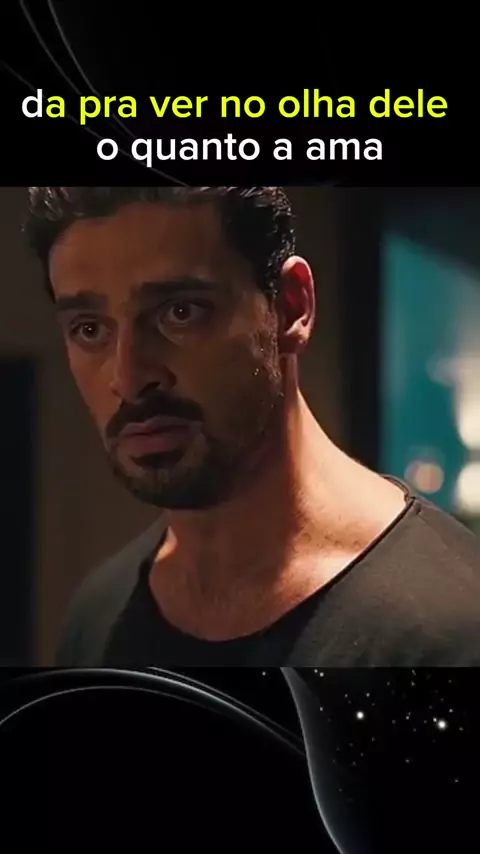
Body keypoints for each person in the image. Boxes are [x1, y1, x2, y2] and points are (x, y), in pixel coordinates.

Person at [25, 186, 480, 667]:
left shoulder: (450, 627)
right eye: (90, 329)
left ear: (291, 307)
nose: (129, 378)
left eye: (180, 312)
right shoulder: (98, 616)